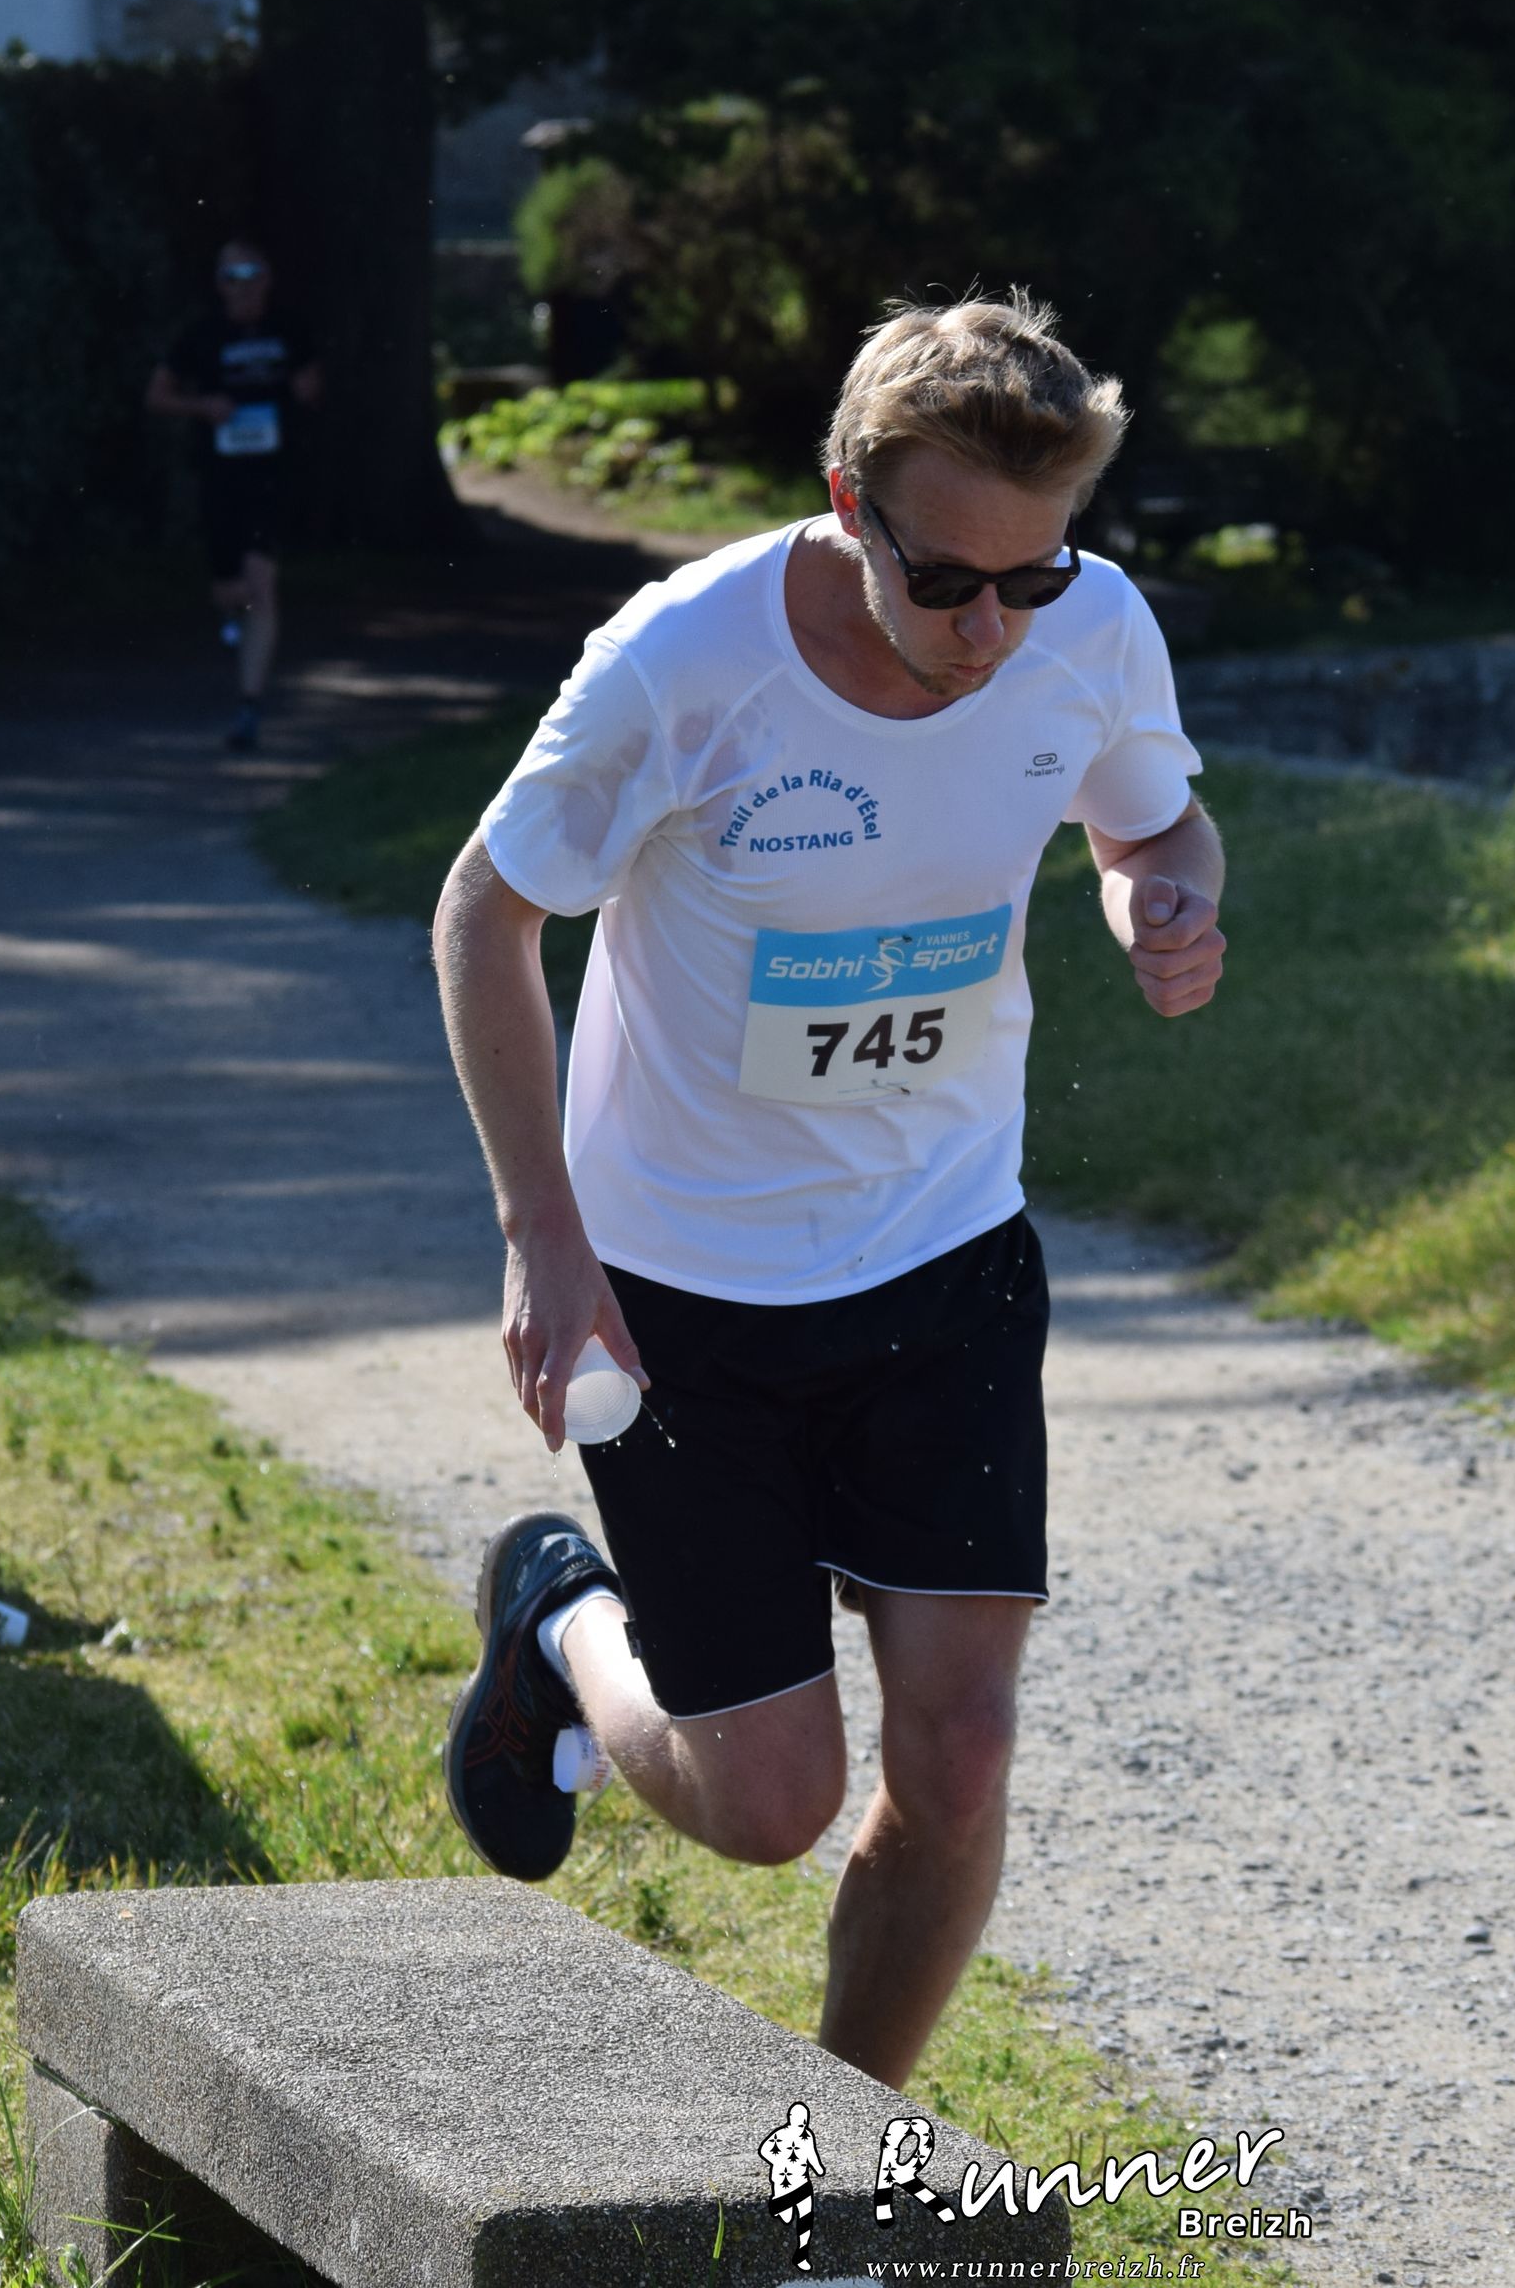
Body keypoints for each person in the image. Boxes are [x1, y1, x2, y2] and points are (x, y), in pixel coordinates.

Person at [432, 294, 1227, 2089]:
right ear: (850, 503)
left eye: (1032, 577)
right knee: (770, 1803)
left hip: (944, 1254)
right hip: (683, 1290)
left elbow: (1148, 819)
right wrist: (543, 1235)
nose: (991, 631)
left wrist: (1162, 901)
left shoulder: (1087, 628)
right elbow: (486, 914)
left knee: (960, 1760)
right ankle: (561, 1620)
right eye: (945, 581)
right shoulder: (683, 663)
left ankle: (851, 2171)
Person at [147, 243, 318, 752]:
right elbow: (157, 396)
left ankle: (249, 704)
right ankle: (230, 620)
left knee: (261, 584)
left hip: (272, 475)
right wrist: (203, 406)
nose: (242, 285)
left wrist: (303, 391)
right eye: (231, 276)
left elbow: (312, 385)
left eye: (252, 273)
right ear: (219, 284)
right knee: (229, 589)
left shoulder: (288, 330)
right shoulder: (201, 334)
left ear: (267, 278)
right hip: (219, 476)